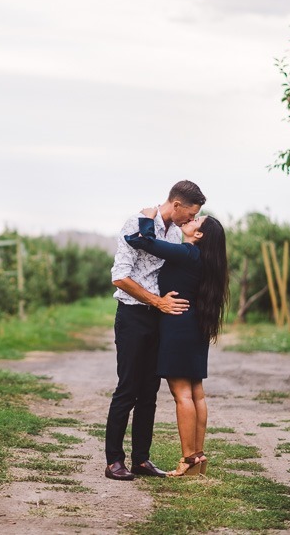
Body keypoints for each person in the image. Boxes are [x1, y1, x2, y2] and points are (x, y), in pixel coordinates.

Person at [104, 180, 206, 481]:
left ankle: (141, 460)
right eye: (191, 213)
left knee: (150, 391)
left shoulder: (177, 234)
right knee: (128, 388)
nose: (191, 219)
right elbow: (120, 277)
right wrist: (156, 301)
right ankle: (114, 461)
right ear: (176, 205)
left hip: (160, 320)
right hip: (133, 316)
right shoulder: (136, 222)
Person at [124, 207, 229, 477]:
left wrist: (147, 219)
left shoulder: (188, 252)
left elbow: (140, 241)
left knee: (182, 394)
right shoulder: (205, 259)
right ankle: (198, 455)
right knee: (196, 393)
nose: (191, 220)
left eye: (197, 220)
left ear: (200, 233)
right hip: (195, 326)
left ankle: (188, 460)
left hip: (178, 326)